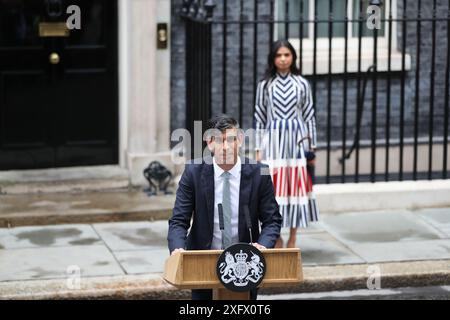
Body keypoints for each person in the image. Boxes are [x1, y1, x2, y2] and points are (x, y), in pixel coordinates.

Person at [167, 114, 282, 300]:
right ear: (209, 142)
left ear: (241, 140)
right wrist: (177, 250)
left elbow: (272, 220)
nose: (226, 147)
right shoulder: (193, 172)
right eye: (218, 140)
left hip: (245, 265)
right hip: (202, 264)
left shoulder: (259, 173)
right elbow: (179, 220)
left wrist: (263, 246)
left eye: (231, 139)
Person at [254, 39, 319, 249]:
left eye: (287, 55)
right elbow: (259, 116)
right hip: (272, 142)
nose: (283, 59)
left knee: (295, 188)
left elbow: (309, 115)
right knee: (272, 188)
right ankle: (277, 235)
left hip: (296, 142)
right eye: (279, 55)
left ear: (293, 57)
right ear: (273, 59)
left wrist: (312, 146)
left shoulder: (302, 84)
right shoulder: (265, 85)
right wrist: (257, 148)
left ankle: (293, 237)